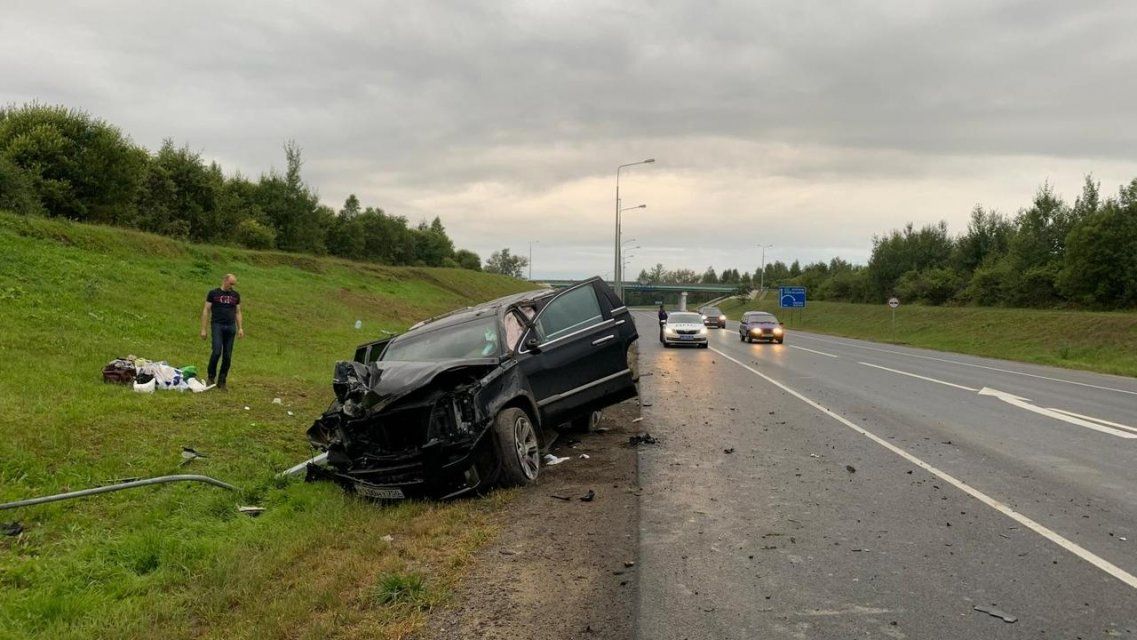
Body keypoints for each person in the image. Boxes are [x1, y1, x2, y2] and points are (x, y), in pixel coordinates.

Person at [200, 274, 244, 390]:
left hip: (230, 327)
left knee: (227, 356)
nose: (232, 286)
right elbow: (206, 310)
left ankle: (222, 381)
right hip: (217, 325)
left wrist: (240, 328)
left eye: (234, 284)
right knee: (216, 351)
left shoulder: (235, 295)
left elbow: (238, 312)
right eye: (231, 283)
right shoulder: (213, 293)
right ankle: (211, 377)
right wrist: (203, 329)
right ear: (225, 281)